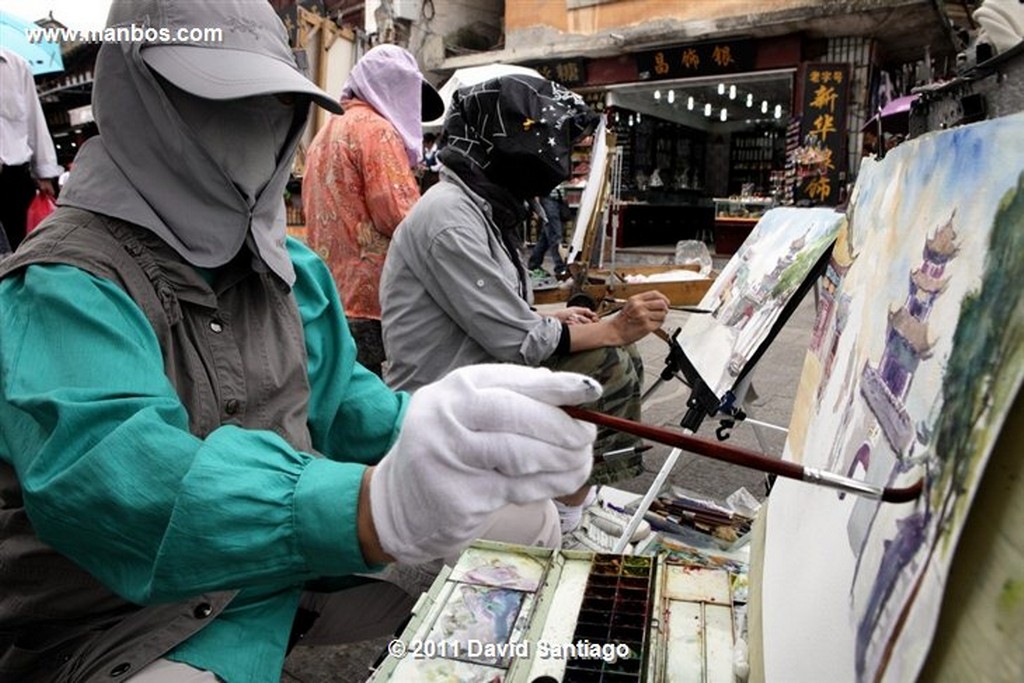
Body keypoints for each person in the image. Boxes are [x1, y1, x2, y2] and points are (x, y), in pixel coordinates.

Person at [0, 2, 602, 681]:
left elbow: (346, 406)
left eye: (272, 102)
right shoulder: (63, 283)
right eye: (213, 97)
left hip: (280, 574)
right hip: (122, 621)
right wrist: (369, 506)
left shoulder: (292, 270)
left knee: (522, 516)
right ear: (135, 98)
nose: (253, 125)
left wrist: (450, 430)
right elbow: (121, 477)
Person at [380, 74, 671, 532]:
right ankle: (568, 518)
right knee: (605, 363)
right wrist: (611, 328)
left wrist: (550, 315)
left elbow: (492, 310)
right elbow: (517, 343)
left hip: (478, 368)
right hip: (441, 393)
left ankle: (573, 497)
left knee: (619, 354)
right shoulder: (450, 217)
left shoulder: (483, 208)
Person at [303, 44, 443, 377]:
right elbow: (400, 215)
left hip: (332, 291)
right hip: (374, 298)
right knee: (380, 395)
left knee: (347, 390)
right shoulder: (377, 131)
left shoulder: (326, 131)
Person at [0, 46, 62, 252]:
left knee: (22, 251)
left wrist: (44, 172)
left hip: (14, 178)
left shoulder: (15, 65)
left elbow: (34, 119)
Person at [528, 187, 570, 281]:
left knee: (546, 237)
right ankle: (560, 268)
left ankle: (534, 264)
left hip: (557, 196)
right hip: (548, 196)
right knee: (555, 234)